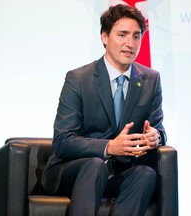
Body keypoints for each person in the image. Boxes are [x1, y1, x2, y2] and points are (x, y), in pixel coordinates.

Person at [41, 4, 167, 216]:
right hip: (76, 170)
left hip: (120, 173)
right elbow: (62, 141)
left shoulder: (150, 80)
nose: (130, 44)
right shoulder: (78, 79)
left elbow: (159, 128)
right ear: (105, 37)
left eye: (136, 36)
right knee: (95, 165)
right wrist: (109, 147)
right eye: (122, 35)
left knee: (146, 174)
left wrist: (156, 136)